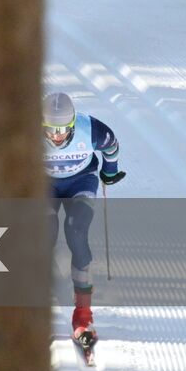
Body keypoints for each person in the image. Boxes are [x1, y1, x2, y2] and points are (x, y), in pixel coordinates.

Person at [44, 92, 123, 352]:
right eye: (50, 130)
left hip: (81, 181)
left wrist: (109, 172)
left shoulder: (90, 130)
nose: (56, 136)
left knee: (76, 232)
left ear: (73, 124)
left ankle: (83, 315)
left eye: (63, 130)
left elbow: (111, 147)